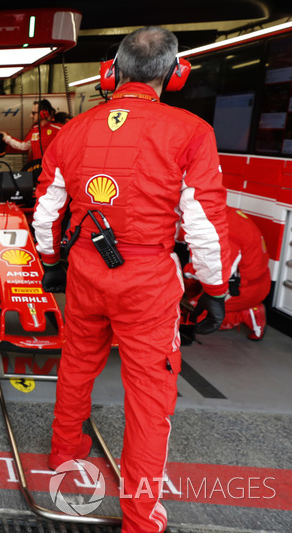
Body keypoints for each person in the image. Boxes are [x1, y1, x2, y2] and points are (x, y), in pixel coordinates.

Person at [31, 27, 231, 532]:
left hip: (85, 268)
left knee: (77, 361)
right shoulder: (191, 132)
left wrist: (51, 260)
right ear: (175, 74)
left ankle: (64, 451)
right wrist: (215, 289)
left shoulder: (72, 131)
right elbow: (204, 227)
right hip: (147, 281)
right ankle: (141, 518)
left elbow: (46, 210)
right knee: (149, 397)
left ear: (111, 73)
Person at [184, 206, 271, 340]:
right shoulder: (225, 214)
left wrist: (186, 270)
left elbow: (219, 271)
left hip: (243, 290)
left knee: (190, 314)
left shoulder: (227, 231)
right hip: (254, 281)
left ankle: (247, 313)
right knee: (190, 287)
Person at [0, 99, 62, 177]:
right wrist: (6, 138)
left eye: (33, 113)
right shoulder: (35, 130)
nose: (31, 116)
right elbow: (23, 146)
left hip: (54, 173)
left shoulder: (59, 129)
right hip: (37, 171)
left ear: (44, 113)